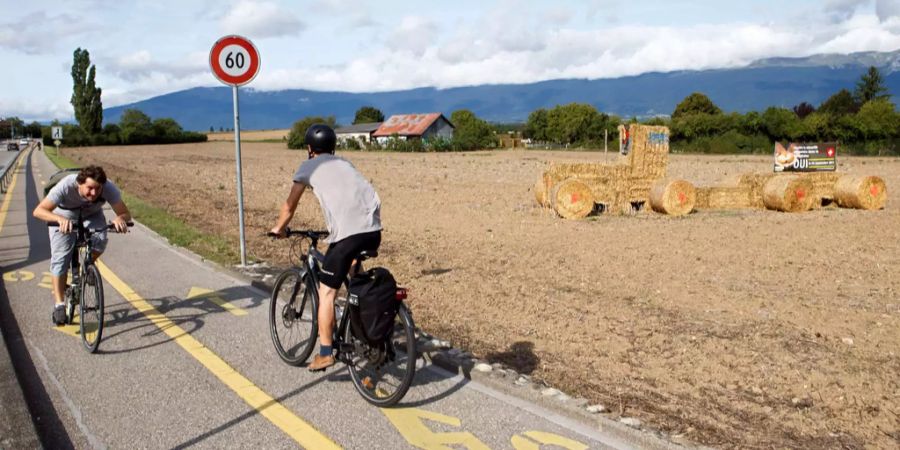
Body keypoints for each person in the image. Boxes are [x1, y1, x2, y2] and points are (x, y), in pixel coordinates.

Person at [270, 124, 382, 371]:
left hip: (348, 236)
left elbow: (290, 206)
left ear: (310, 148)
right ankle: (361, 326)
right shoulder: (345, 163)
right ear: (333, 147)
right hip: (373, 232)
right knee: (353, 275)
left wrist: (279, 228)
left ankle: (324, 352)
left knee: (326, 292)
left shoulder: (309, 166)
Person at [33, 165, 131, 325]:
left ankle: (87, 265)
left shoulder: (108, 187)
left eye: (97, 189)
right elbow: (38, 211)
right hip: (63, 215)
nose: (94, 193)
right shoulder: (66, 185)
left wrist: (120, 219)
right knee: (60, 259)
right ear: (79, 183)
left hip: (92, 215)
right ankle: (59, 304)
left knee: (100, 240)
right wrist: (59, 220)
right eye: (90, 188)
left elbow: (125, 213)